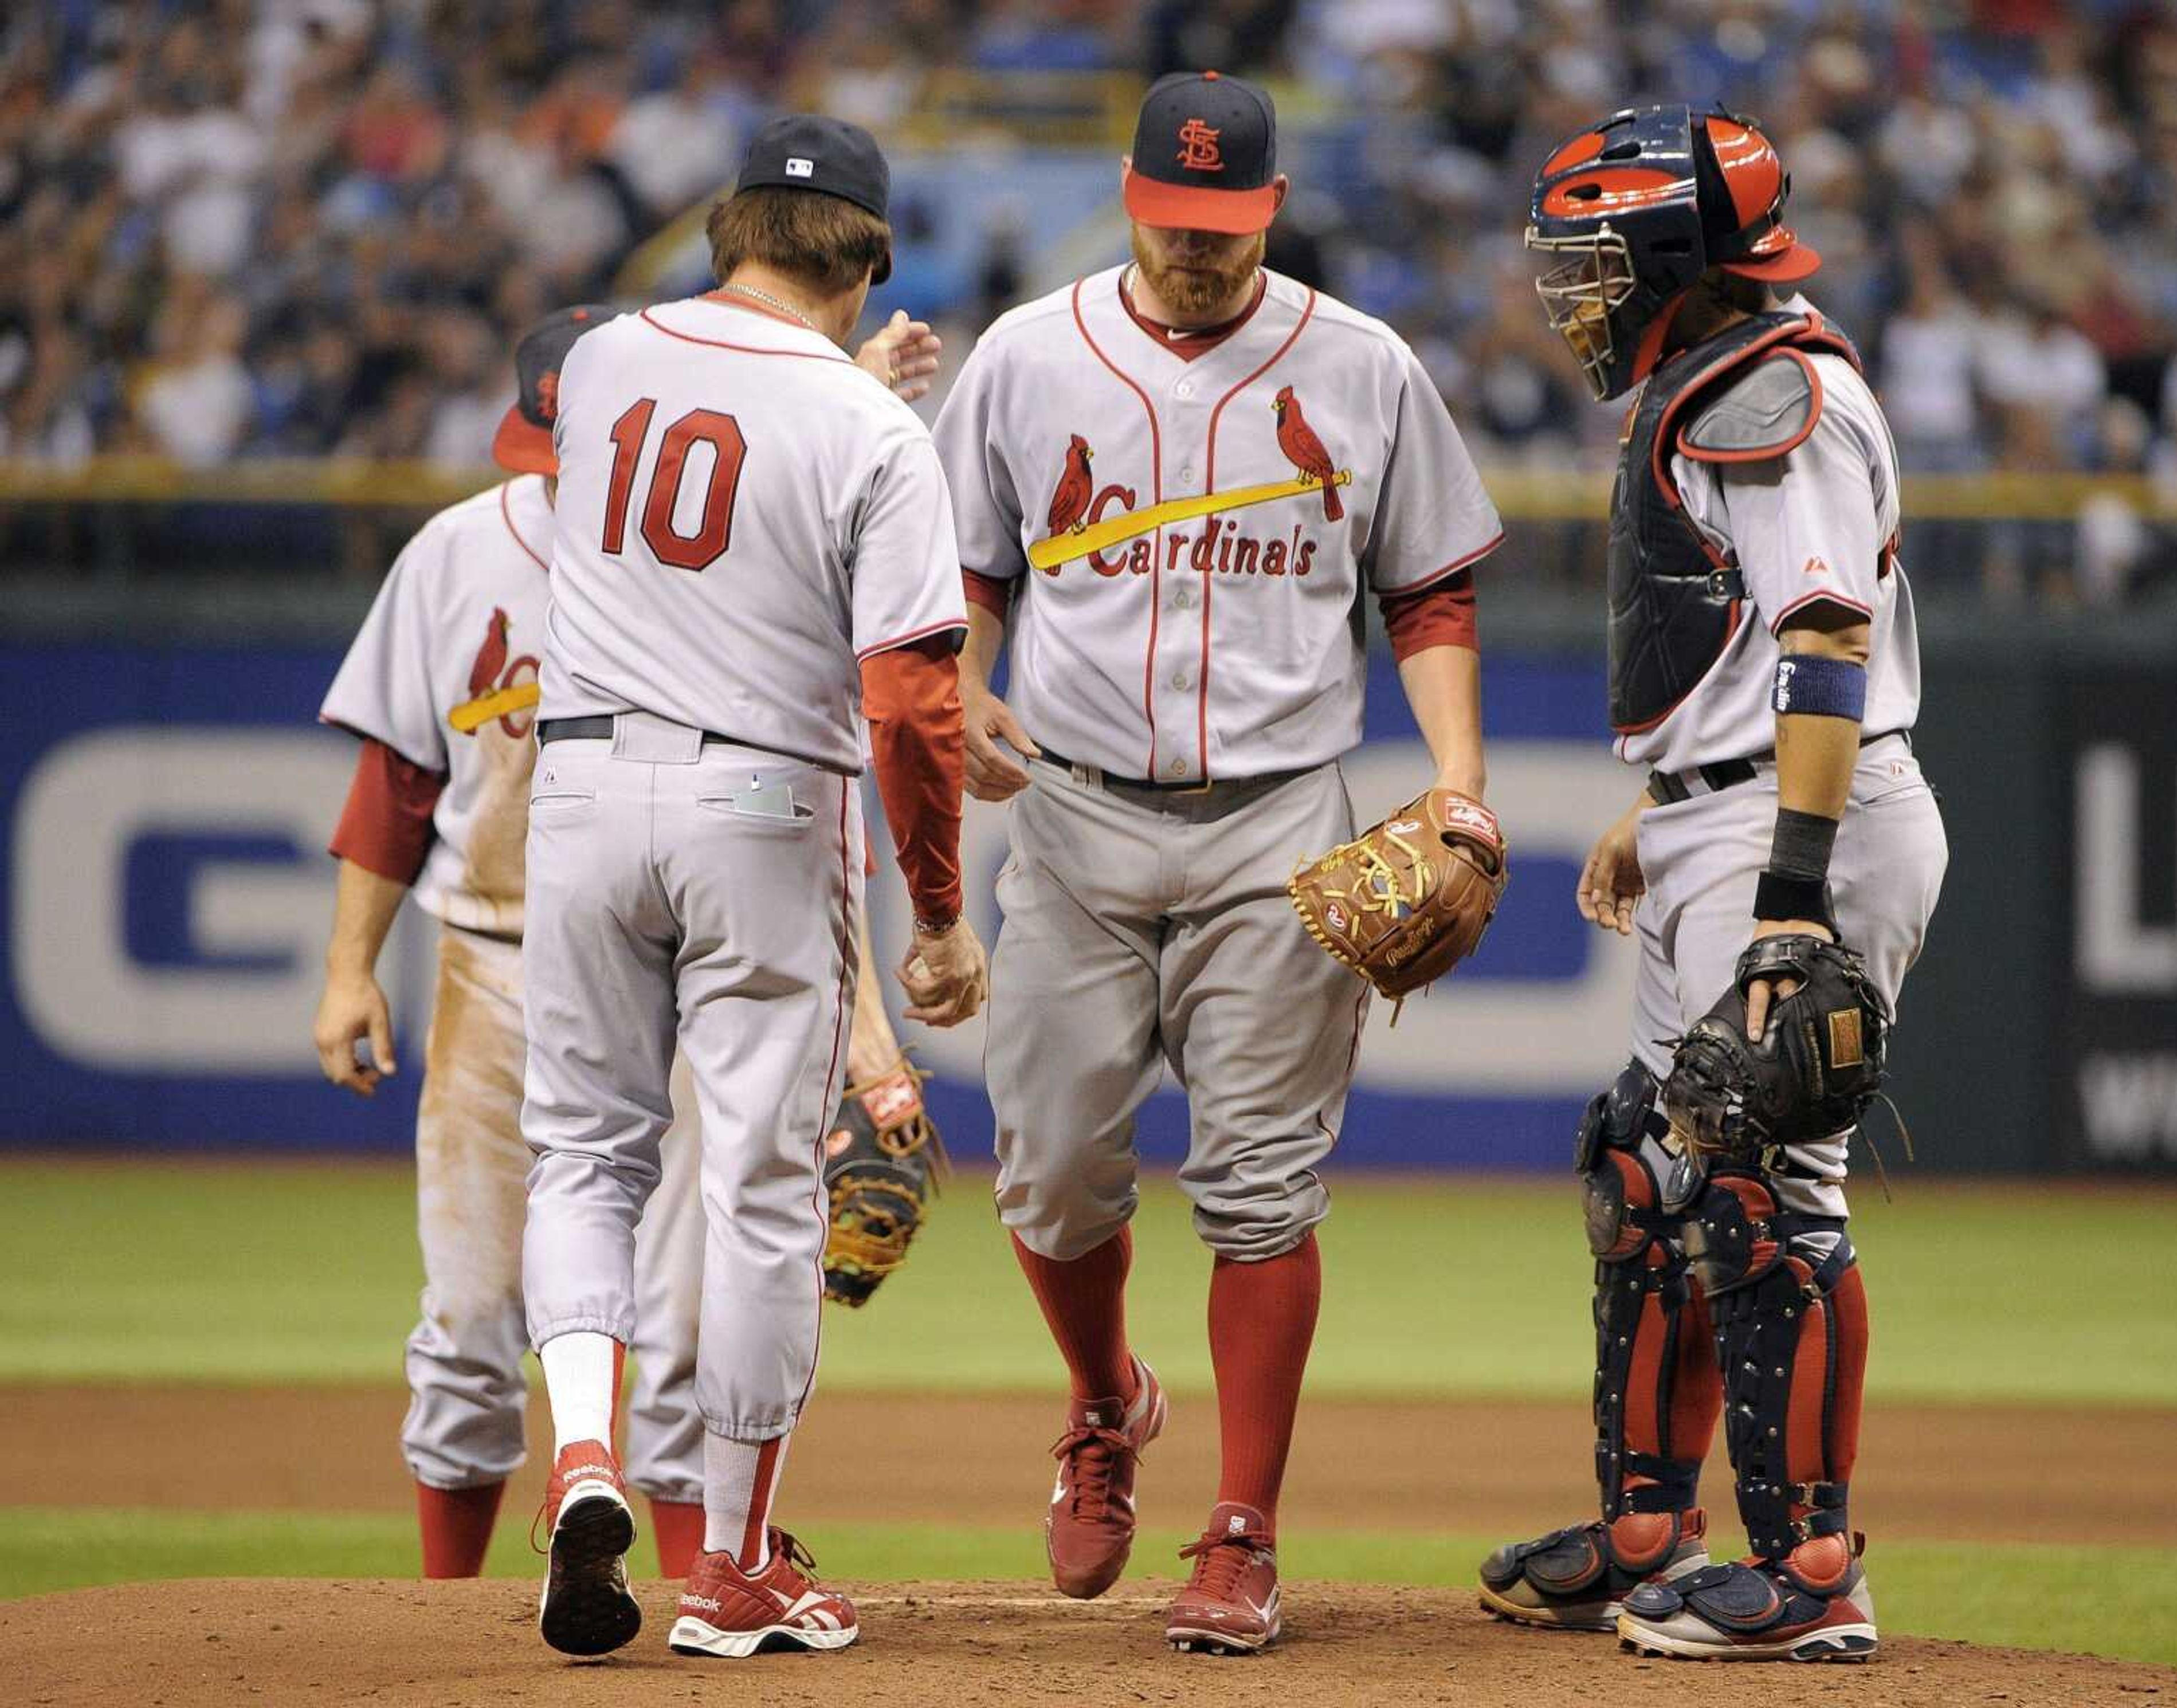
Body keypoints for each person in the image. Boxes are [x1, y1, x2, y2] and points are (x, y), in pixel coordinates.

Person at [929, 70, 1503, 1656]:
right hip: (1075, 805)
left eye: (1229, 226)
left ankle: (1243, 1528)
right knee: (1046, 1167)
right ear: (1128, 198)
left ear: (1272, 209)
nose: (1200, 252)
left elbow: (1433, 592)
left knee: (1259, 1183)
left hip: (1277, 814)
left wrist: (1456, 781)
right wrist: (967, 686)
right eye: (1178, 223)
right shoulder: (1028, 360)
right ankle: (1106, 1402)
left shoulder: (1362, 364)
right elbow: (967, 577)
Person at [311, 297, 948, 1584]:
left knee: (683, 1318)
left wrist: (868, 1043)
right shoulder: (457, 552)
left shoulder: (726, 553)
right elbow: (397, 778)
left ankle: (680, 1567)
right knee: (469, 1327)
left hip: (688, 950)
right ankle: (461, 1611)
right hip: (495, 958)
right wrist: (346, 968)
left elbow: (826, 793)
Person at [1477, 104, 1947, 1663]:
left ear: (1677, 258)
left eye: (1595, 262)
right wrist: (1662, 795)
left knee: (1758, 1184)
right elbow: (1755, 644)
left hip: (1802, 824)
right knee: (1647, 1166)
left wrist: (1787, 893)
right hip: (1728, 808)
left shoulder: (1777, 396)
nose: (1571, 292)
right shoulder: (1721, 376)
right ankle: (1642, 1528)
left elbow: (1823, 639)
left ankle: (1812, 1567)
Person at [514, 115, 985, 1662]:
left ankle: (582, 1448)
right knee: (761, 1189)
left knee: (585, 1154)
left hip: (578, 787)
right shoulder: (871, 433)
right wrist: (936, 910)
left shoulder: (599, 367)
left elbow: (717, 442)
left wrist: (855, 398)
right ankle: (729, 1563)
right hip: (756, 800)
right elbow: (917, 702)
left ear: (725, 230)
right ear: (869, 262)